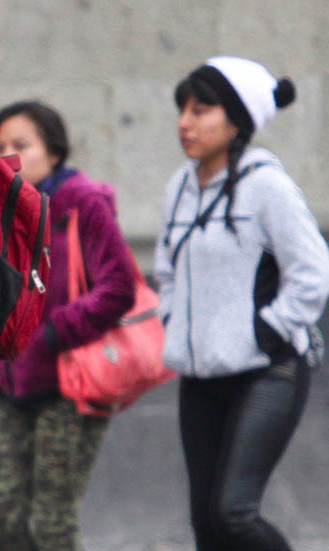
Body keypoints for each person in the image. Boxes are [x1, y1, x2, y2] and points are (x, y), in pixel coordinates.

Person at [155, 57, 329, 550]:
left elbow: (313, 271)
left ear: (237, 120)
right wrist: (173, 317)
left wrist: (267, 330)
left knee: (234, 513)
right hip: (200, 377)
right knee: (207, 527)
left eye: (201, 109)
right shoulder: (179, 188)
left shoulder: (267, 185)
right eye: (182, 109)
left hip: (266, 373)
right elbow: (166, 269)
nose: (185, 122)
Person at [0, 101, 136, 551]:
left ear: (54, 152)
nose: (9, 154)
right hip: (9, 386)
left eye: (22, 145)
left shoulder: (80, 203)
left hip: (70, 386)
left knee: (52, 525)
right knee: (0, 519)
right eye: (0, 147)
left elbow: (119, 285)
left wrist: (53, 332)